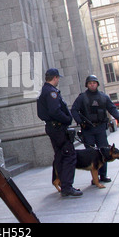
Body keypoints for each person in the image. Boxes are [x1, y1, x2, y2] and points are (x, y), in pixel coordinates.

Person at [37, 68, 83, 197]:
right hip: (58, 128)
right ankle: (67, 186)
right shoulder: (51, 92)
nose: (58, 81)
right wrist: (67, 119)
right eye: (58, 79)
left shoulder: (45, 91)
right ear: (55, 78)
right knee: (69, 155)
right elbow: (55, 111)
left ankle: (64, 184)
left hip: (53, 127)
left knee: (60, 155)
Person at [71, 75, 119, 184]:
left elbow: (112, 108)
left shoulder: (104, 97)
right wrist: (80, 121)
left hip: (100, 129)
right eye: (90, 83)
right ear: (87, 85)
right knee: (91, 154)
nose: (92, 84)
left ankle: (103, 175)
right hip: (87, 129)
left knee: (104, 153)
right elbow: (74, 110)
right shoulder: (82, 98)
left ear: (97, 84)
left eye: (94, 83)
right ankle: (95, 178)